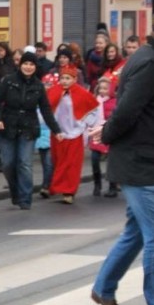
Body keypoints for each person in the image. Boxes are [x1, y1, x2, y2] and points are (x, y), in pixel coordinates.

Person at [90, 18, 154, 305]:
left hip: (143, 158)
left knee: (137, 232)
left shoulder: (144, 58)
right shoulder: (149, 63)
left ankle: (103, 288)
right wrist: (107, 133)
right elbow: (126, 110)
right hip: (140, 162)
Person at [0, 50, 62, 209]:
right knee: (8, 164)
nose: (28, 67)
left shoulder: (38, 85)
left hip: (28, 127)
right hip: (7, 126)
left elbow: (45, 109)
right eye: (26, 64)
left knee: (24, 163)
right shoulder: (9, 81)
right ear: (20, 64)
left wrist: (56, 130)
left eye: (32, 64)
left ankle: (25, 198)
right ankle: (15, 192)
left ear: (35, 67)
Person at [46, 64, 101, 203]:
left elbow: (93, 108)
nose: (64, 81)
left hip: (75, 132)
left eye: (68, 78)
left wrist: (87, 123)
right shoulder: (54, 91)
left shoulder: (82, 93)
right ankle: (59, 186)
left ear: (75, 79)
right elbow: (46, 108)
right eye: (63, 78)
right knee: (59, 161)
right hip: (58, 132)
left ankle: (69, 191)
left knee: (71, 164)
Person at [88, 77, 116, 197]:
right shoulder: (94, 100)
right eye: (101, 88)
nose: (102, 91)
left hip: (110, 133)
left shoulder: (115, 101)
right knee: (94, 159)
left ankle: (112, 186)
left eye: (105, 88)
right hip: (97, 132)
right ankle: (97, 184)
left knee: (112, 161)